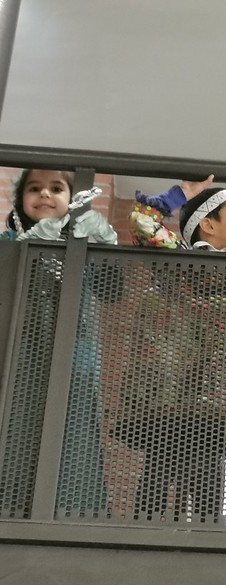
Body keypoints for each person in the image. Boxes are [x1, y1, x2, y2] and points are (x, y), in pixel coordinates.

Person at [115, 177, 226, 523]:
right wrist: (182, 194)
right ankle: (142, 536)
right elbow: (142, 222)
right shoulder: (176, 256)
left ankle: (205, 537)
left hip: (221, 397)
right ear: (209, 224)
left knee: (209, 469)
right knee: (159, 464)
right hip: (170, 393)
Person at [0, 168, 118, 519]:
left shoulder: (80, 245)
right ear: (20, 200)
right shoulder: (7, 241)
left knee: (72, 437)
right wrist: (27, 247)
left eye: (56, 188)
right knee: (14, 431)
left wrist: (106, 246)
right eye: (34, 189)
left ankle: (71, 515)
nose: (45, 195)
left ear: (72, 199)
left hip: (71, 363)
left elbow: (112, 291)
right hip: (15, 359)